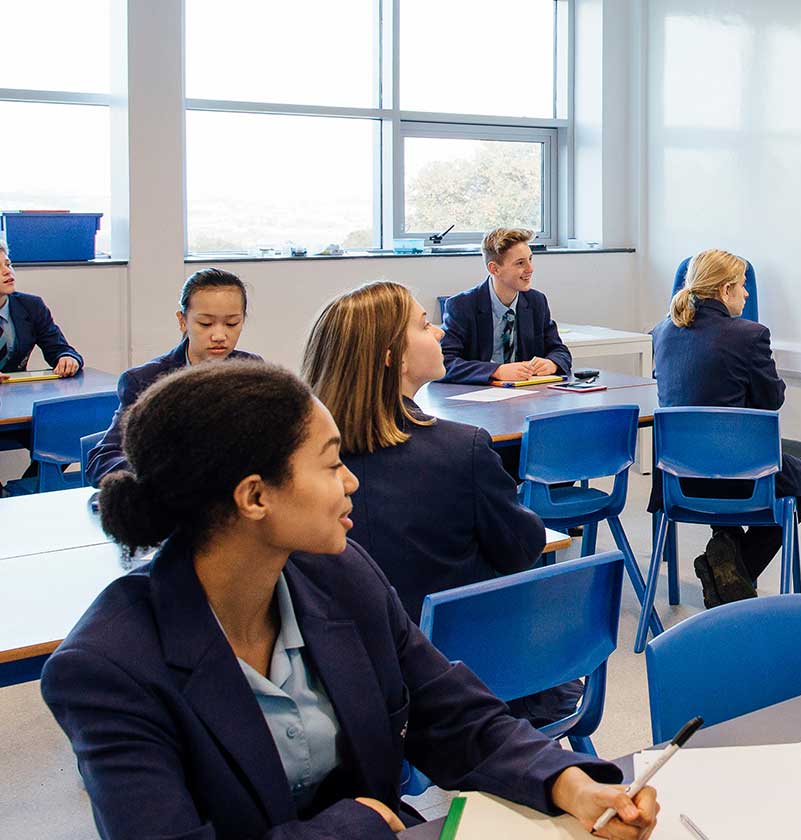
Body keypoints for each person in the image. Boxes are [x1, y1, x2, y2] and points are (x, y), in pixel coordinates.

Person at [41, 360, 657, 839]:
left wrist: (568, 782)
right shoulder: (107, 669)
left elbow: (450, 711)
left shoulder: (339, 573)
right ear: (255, 497)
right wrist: (352, 826)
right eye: (332, 463)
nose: (352, 480)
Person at [303, 281, 579, 727]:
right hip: (459, 680)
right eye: (423, 324)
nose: (438, 333)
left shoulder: (300, 466)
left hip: (344, 686)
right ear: (393, 357)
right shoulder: (461, 450)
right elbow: (521, 547)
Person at [650, 249, 801, 607]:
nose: (747, 294)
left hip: (677, 478)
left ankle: (725, 553)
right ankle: (732, 567)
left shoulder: (662, 331)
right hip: (741, 477)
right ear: (725, 289)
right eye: (742, 286)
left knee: (721, 472)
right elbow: (771, 400)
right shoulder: (750, 335)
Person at [86, 268, 260, 486]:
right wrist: (166, 474)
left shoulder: (253, 372)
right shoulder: (145, 381)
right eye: (205, 324)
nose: (219, 335)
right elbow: (102, 460)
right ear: (182, 321)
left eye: (232, 323)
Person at [441, 227, 572, 385]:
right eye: (520, 263)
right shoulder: (462, 305)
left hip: (528, 392)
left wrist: (552, 363)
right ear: (494, 269)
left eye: (530, 259)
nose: (530, 269)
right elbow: (444, 363)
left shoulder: (536, 301)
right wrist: (496, 371)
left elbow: (559, 350)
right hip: (478, 394)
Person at [0, 241, 83, 378]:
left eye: (8, 265)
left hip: (16, 389)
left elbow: (58, 348)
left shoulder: (31, 306)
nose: (7, 271)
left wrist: (67, 358)